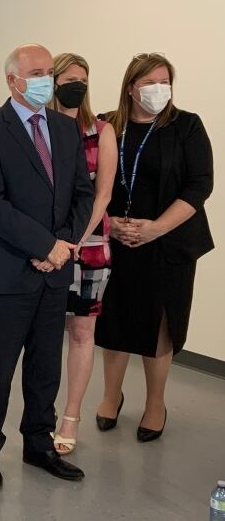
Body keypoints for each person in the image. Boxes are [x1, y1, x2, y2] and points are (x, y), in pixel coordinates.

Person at [0, 44, 94, 488]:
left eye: (48, 72)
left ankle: (38, 444)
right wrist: (43, 245)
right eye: (36, 72)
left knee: (45, 367)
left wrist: (63, 246)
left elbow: (82, 193)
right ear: (12, 80)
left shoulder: (64, 127)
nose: (46, 80)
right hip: (8, 271)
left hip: (55, 269)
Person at [95, 53, 214, 442]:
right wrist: (109, 227)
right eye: (150, 83)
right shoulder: (107, 125)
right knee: (113, 320)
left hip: (169, 242)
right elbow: (86, 182)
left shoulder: (187, 126)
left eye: (165, 81)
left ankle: (155, 404)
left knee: (159, 322)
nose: (159, 89)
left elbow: (200, 185)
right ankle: (112, 396)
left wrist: (156, 229)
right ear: (131, 87)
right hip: (116, 239)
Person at [49, 53, 117, 455]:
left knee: (81, 333)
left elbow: (102, 194)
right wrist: (49, 245)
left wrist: (72, 241)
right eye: (68, 78)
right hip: (45, 249)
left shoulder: (100, 130)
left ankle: (70, 416)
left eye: (83, 79)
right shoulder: (40, 129)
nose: (76, 85)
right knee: (40, 335)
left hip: (87, 249)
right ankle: (39, 414)